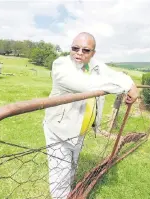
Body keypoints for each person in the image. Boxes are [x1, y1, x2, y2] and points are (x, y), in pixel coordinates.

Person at [43, 32, 138, 199]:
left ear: (93, 53)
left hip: (79, 130)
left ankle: (70, 193)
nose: (79, 53)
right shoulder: (61, 65)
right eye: (75, 48)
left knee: (72, 166)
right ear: (70, 48)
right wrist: (126, 87)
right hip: (60, 130)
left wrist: (130, 83)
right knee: (60, 174)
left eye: (85, 50)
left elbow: (116, 75)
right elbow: (88, 85)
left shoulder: (94, 65)